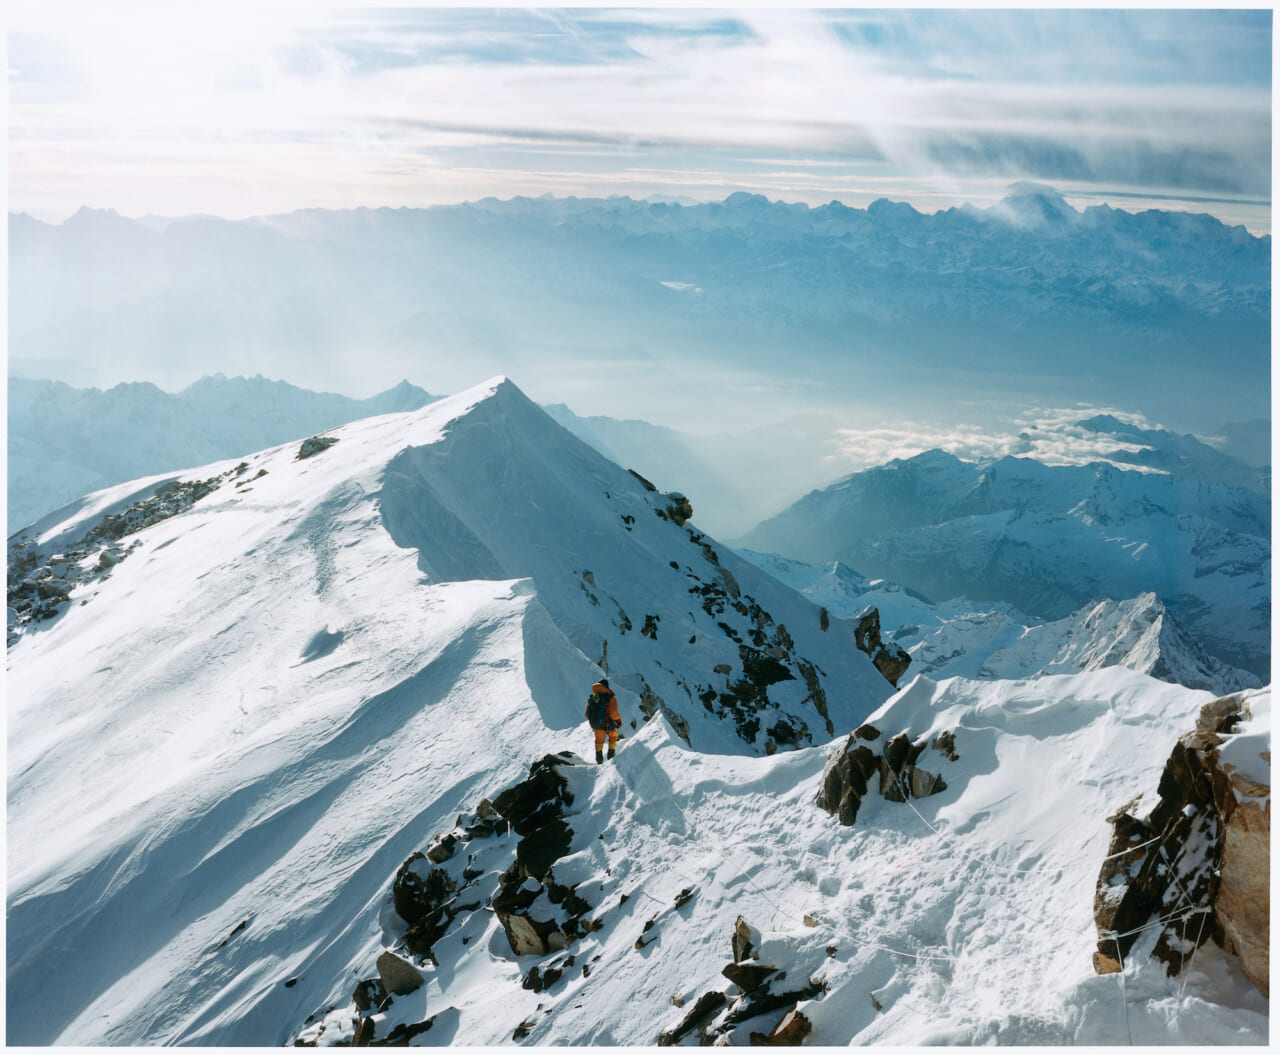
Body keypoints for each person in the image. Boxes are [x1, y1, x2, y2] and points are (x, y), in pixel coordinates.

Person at [585, 678, 621, 763]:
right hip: (608, 723)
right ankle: (611, 757)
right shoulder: (610, 698)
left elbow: (587, 713)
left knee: (599, 740)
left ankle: (599, 760)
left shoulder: (592, 698)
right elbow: (613, 713)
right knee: (613, 736)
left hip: (596, 724)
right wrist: (618, 720)